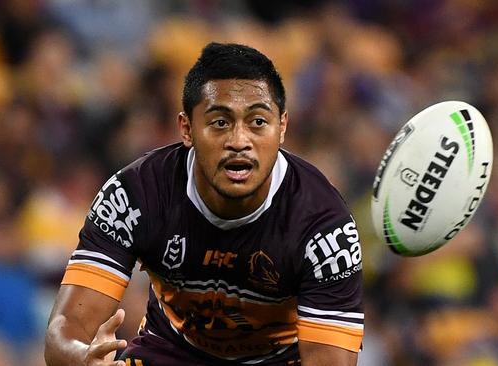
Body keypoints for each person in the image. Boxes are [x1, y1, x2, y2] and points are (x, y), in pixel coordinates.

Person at [44, 42, 364, 366]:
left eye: (257, 122)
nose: (239, 141)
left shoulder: (325, 227)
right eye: (220, 123)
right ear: (187, 129)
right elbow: (63, 333)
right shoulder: (135, 195)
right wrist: (81, 359)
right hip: (170, 351)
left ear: (281, 127)